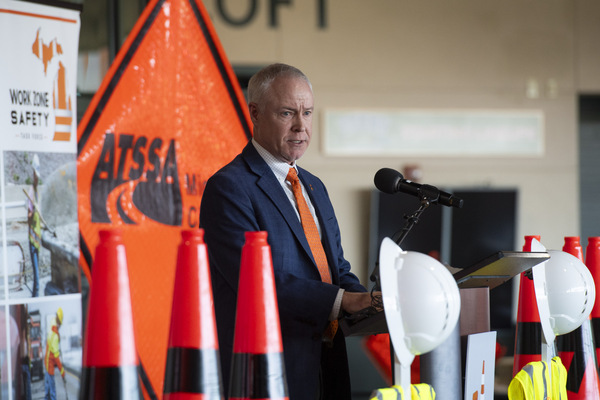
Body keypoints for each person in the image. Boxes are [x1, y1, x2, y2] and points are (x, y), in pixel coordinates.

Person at [200, 63, 377, 400]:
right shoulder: (228, 188)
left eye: (307, 112)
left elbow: (336, 270)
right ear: (255, 113)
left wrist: (373, 303)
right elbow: (256, 282)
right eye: (287, 113)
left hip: (328, 367)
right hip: (267, 375)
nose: (301, 126)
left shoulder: (314, 186)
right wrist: (346, 301)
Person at [27, 154, 42, 297]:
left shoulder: (37, 192)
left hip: (37, 240)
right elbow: (28, 217)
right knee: (37, 281)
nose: (37, 178)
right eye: (36, 175)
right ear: (33, 175)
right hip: (32, 240)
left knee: (37, 282)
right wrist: (33, 212)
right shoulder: (31, 192)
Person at [44, 307, 65, 400]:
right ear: (59, 322)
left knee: (47, 393)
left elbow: (54, 321)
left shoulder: (52, 328)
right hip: (50, 366)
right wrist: (62, 372)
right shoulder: (55, 336)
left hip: (47, 363)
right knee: (52, 393)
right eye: (60, 323)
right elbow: (56, 358)